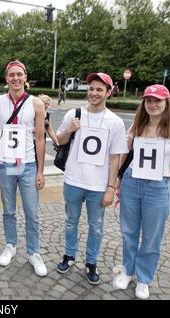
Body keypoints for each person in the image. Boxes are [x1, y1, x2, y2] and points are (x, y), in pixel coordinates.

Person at [113, 84, 170, 299]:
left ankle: (144, 278)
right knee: (129, 232)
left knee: (151, 237)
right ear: (144, 103)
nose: (153, 104)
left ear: (167, 103)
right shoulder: (136, 127)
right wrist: (118, 181)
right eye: (149, 100)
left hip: (157, 188)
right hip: (131, 183)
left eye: (157, 100)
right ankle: (128, 271)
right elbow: (123, 155)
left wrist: (163, 176)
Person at [55, 72, 128, 285]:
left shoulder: (115, 122)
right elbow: (59, 140)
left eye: (99, 89)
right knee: (70, 221)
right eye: (91, 89)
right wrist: (70, 129)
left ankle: (92, 261)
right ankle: (69, 255)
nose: (94, 93)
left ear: (108, 92)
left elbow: (115, 158)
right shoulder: (74, 114)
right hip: (73, 180)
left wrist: (111, 187)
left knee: (96, 225)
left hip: (98, 185)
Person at [0, 60, 47, 277]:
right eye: (11, 75)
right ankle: (10, 245)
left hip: (28, 164)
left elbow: (40, 139)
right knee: (9, 209)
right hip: (6, 164)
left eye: (19, 74)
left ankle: (33, 252)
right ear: (6, 78)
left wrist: (40, 171)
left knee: (32, 211)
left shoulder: (37, 104)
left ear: (25, 77)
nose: (15, 78)